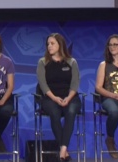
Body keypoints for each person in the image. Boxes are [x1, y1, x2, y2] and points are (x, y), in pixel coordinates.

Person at [36, 33, 81, 162]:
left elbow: (75, 84)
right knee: (54, 113)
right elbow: (43, 85)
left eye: (52, 43)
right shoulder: (43, 62)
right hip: (50, 98)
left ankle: (62, 149)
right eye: (48, 44)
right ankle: (64, 151)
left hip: (70, 97)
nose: (49, 46)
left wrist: (68, 98)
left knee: (70, 112)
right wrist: (55, 98)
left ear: (60, 45)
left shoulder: (71, 62)